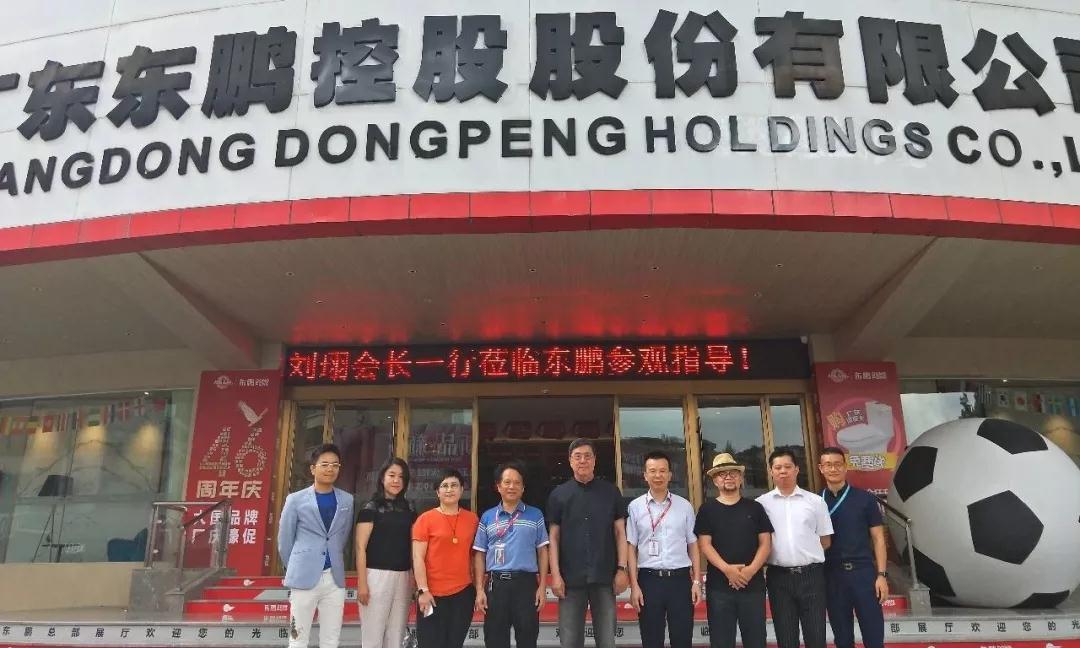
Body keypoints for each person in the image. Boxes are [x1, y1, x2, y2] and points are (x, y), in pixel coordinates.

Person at [546, 438, 629, 648]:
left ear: (594, 460)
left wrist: (622, 569)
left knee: (607, 640)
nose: (583, 461)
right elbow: (553, 538)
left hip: (605, 577)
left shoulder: (611, 492)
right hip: (570, 580)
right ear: (570, 461)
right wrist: (555, 574)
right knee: (570, 641)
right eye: (578, 457)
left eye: (587, 456)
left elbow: (620, 533)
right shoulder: (558, 495)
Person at [278, 443, 354, 648]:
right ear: (313, 468)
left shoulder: (347, 500)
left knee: (331, 639)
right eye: (325, 464)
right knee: (298, 637)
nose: (330, 469)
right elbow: (285, 540)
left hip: (334, 578)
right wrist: (297, 566)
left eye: (335, 465)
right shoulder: (295, 500)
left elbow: (343, 536)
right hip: (303, 576)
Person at [756, 448, 834, 648]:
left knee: (816, 636)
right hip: (778, 577)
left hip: (811, 576)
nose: (783, 471)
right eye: (778, 467)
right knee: (786, 637)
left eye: (787, 466)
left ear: (797, 469)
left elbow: (825, 540)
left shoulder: (815, 501)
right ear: (771, 471)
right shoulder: (761, 504)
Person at [695, 453, 773, 648]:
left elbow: (766, 543)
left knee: (756, 640)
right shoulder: (707, 510)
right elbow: (704, 545)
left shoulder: (755, 508)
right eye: (722, 474)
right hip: (719, 588)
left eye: (733, 473)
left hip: (752, 585)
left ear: (740, 478)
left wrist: (750, 571)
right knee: (721, 641)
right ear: (715, 480)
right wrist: (728, 570)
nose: (728, 477)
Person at [626, 451, 701, 648]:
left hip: (680, 580)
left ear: (670, 475)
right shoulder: (635, 507)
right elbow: (631, 548)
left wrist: (696, 581)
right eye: (652, 471)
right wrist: (634, 585)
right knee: (651, 639)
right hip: (649, 580)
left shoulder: (684, 506)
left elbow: (693, 544)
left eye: (662, 471)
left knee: (682, 638)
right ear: (645, 475)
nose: (657, 475)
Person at [473, 461, 550, 648]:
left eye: (517, 482)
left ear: (523, 487)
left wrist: (542, 587)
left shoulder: (535, 515)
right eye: (507, 482)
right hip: (496, 586)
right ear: (498, 486)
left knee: (527, 639)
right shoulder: (488, 517)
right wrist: (480, 590)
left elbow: (542, 551)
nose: (512, 486)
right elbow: (479, 554)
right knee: (495, 640)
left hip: (526, 585)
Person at [818, 447, 888, 648]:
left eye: (837, 464)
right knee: (842, 637)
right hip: (832, 574)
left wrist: (881, 575)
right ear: (821, 468)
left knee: (873, 635)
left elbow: (878, 538)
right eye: (828, 465)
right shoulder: (815, 501)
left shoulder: (864, 499)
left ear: (845, 467)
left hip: (863, 574)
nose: (833, 469)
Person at [412, 468, 481, 648]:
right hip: (432, 595)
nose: (449, 490)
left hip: (463, 594)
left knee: (454, 643)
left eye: (454, 485)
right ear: (437, 492)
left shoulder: (472, 520)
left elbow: (476, 556)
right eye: (444, 486)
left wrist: (478, 588)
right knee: (429, 643)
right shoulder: (425, 519)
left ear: (462, 489)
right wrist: (423, 590)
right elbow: (418, 558)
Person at [355, 457, 417, 648]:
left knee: (396, 635)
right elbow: (360, 548)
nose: (396, 480)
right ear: (382, 478)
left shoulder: (410, 509)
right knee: (373, 635)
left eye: (401, 477)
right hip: (375, 576)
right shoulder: (370, 508)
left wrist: (414, 578)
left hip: (403, 577)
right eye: (391, 475)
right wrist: (362, 583)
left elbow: (413, 547)